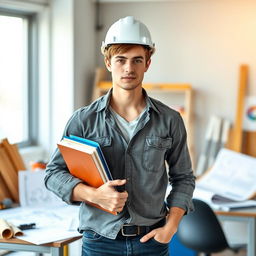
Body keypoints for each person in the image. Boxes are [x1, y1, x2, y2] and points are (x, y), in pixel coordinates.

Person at [45, 16, 195, 256]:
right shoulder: (83, 120)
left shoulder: (169, 120)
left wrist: (171, 226)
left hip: (152, 242)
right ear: (108, 62)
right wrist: (94, 195)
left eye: (137, 60)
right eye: (121, 59)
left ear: (147, 64)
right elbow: (53, 174)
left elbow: (184, 178)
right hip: (99, 241)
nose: (128, 68)